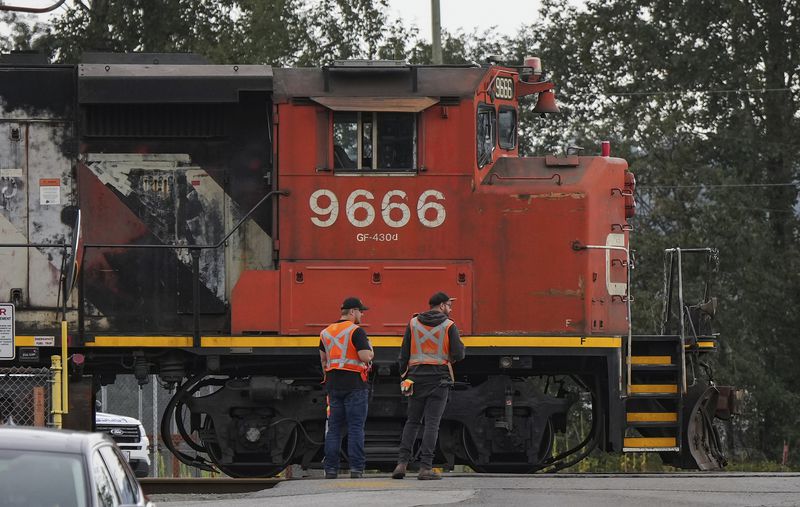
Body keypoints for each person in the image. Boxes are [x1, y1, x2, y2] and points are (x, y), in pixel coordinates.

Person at [392, 291, 465, 480]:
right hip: (439, 380)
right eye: (449, 305)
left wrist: (404, 375)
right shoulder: (449, 325)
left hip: (415, 379)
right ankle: (425, 468)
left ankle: (401, 464)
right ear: (441, 306)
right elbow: (459, 354)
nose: (450, 309)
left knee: (412, 422)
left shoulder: (413, 323)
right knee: (432, 423)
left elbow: (403, 353)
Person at [319, 297, 374, 479]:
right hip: (354, 385)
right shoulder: (356, 331)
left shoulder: (325, 332)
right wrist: (371, 350)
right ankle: (356, 469)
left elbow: (324, 360)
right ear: (352, 312)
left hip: (333, 385)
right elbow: (365, 357)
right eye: (360, 311)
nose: (362, 315)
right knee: (355, 427)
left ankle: (331, 470)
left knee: (334, 428)